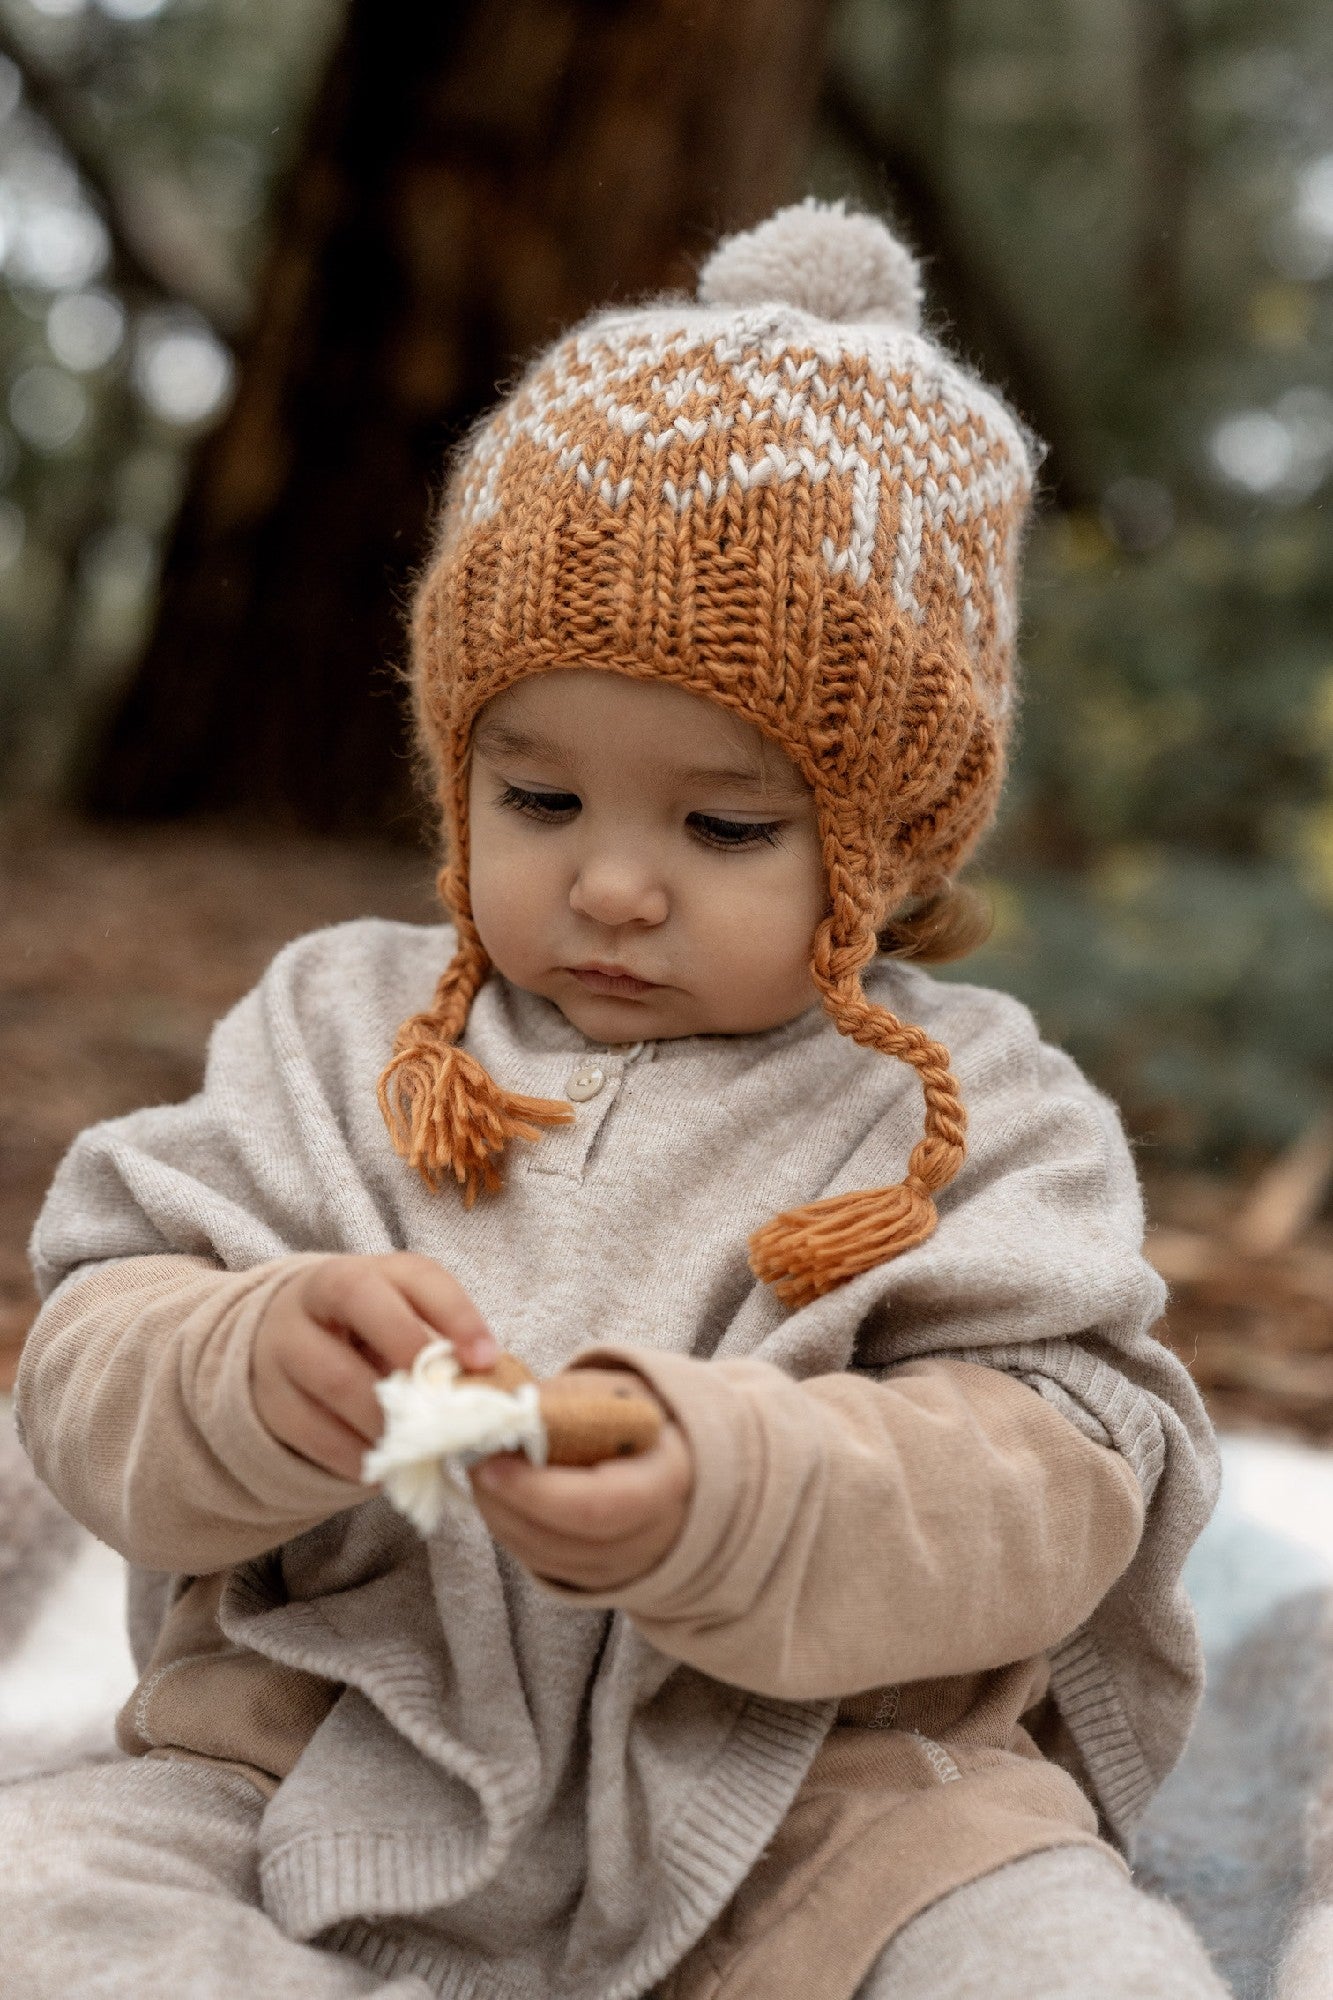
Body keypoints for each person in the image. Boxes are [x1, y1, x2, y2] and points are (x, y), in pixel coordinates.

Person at [7, 200, 1227, 1999]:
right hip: (327, 1733)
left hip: (832, 1784)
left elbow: (1054, 1483)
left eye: (724, 825)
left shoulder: (974, 1105)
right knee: (48, 1908)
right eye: (538, 798)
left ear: (889, 835)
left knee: (1056, 1963)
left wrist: (732, 1489)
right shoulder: (337, 1030)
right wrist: (246, 1366)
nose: (612, 889)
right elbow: (91, 1354)